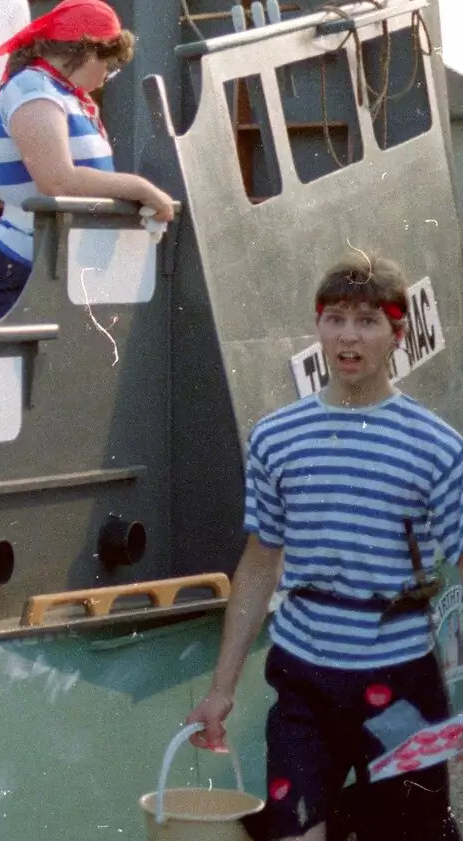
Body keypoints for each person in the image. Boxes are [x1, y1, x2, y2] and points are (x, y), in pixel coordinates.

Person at [185, 253, 463, 841]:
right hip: (305, 675)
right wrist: (221, 689)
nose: (348, 336)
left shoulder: (438, 447)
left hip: (403, 681)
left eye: (367, 320)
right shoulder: (276, 437)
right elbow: (261, 563)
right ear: (318, 327)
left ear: (397, 333)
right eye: (334, 318)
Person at [0, 0, 176, 324]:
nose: (104, 78)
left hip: (64, 276)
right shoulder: (32, 88)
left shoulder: (64, 95)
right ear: (86, 52)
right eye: (108, 67)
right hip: (26, 274)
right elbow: (57, 181)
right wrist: (140, 188)